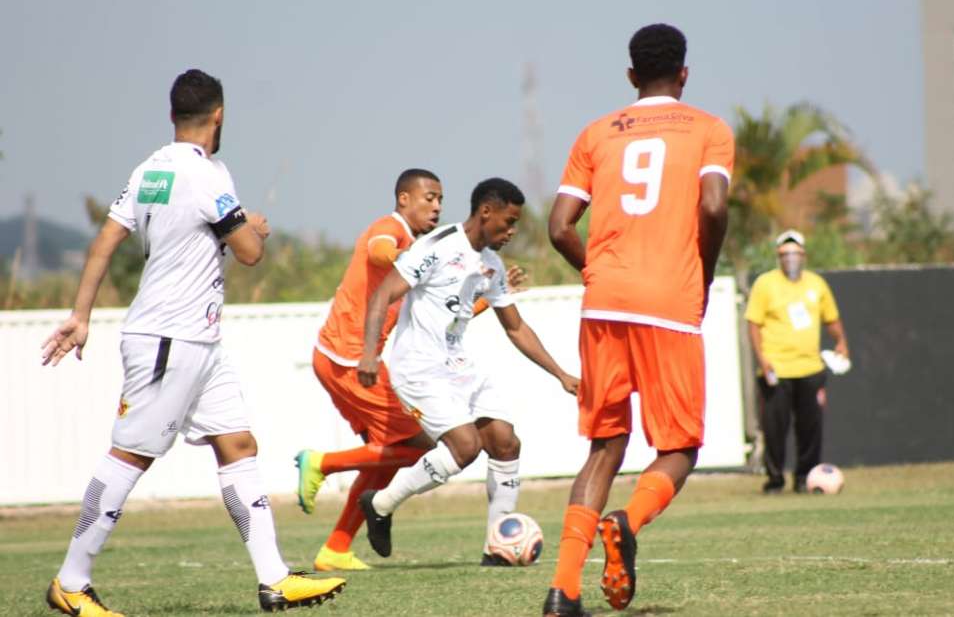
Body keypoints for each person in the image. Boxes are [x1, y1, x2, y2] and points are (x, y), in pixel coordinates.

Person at [39, 69, 345, 616]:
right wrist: (252, 226)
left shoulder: (149, 169)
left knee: (238, 445)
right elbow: (249, 251)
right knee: (130, 455)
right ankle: (70, 581)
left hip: (199, 340)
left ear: (173, 115)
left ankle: (275, 579)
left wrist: (80, 315)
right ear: (219, 115)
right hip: (168, 338)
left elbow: (106, 240)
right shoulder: (209, 175)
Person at [543, 23, 732, 616]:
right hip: (670, 301)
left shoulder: (596, 133)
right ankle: (627, 520)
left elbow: (558, 226)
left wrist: (597, 272)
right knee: (679, 446)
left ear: (630, 75)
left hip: (604, 302)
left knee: (604, 446)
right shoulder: (708, 128)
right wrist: (702, 270)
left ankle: (562, 592)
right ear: (683, 72)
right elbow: (713, 204)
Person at [293, 168, 529, 570]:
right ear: (404, 198)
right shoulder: (396, 229)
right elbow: (378, 251)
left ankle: (336, 546)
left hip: (358, 358)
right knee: (425, 447)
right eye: (428, 198)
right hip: (349, 358)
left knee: (400, 452)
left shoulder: (445, 252)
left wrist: (482, 297)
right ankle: (322, 464)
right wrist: (408, 259)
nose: (436, 206)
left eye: (440, 199)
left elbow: (447, 311)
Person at [355, 178, 579, 563]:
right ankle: (381, 504)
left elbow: (515, 327)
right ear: (485, 211)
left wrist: (561, 374)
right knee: (465, 447)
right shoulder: (439, 247)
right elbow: (383, 294)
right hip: (418, 367)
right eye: (508, 223)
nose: (511, 232)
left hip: (458, 365)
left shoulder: (490, 265)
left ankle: (497, 548)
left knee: (506, 442)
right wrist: (369, 354)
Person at [745, 229, 849, 494]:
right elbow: (754, 324)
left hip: (810, 368)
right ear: (778, 257)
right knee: (774, 428)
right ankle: (775, 479)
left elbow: (832, 319)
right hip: (776, 368)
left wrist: (841, 342)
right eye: (784, 254)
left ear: (803, 256)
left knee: (810, 428)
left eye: (795, 254)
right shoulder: (766, 284)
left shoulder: (816, 284)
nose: (790, 258)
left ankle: (805, 477)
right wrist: (762, 359)